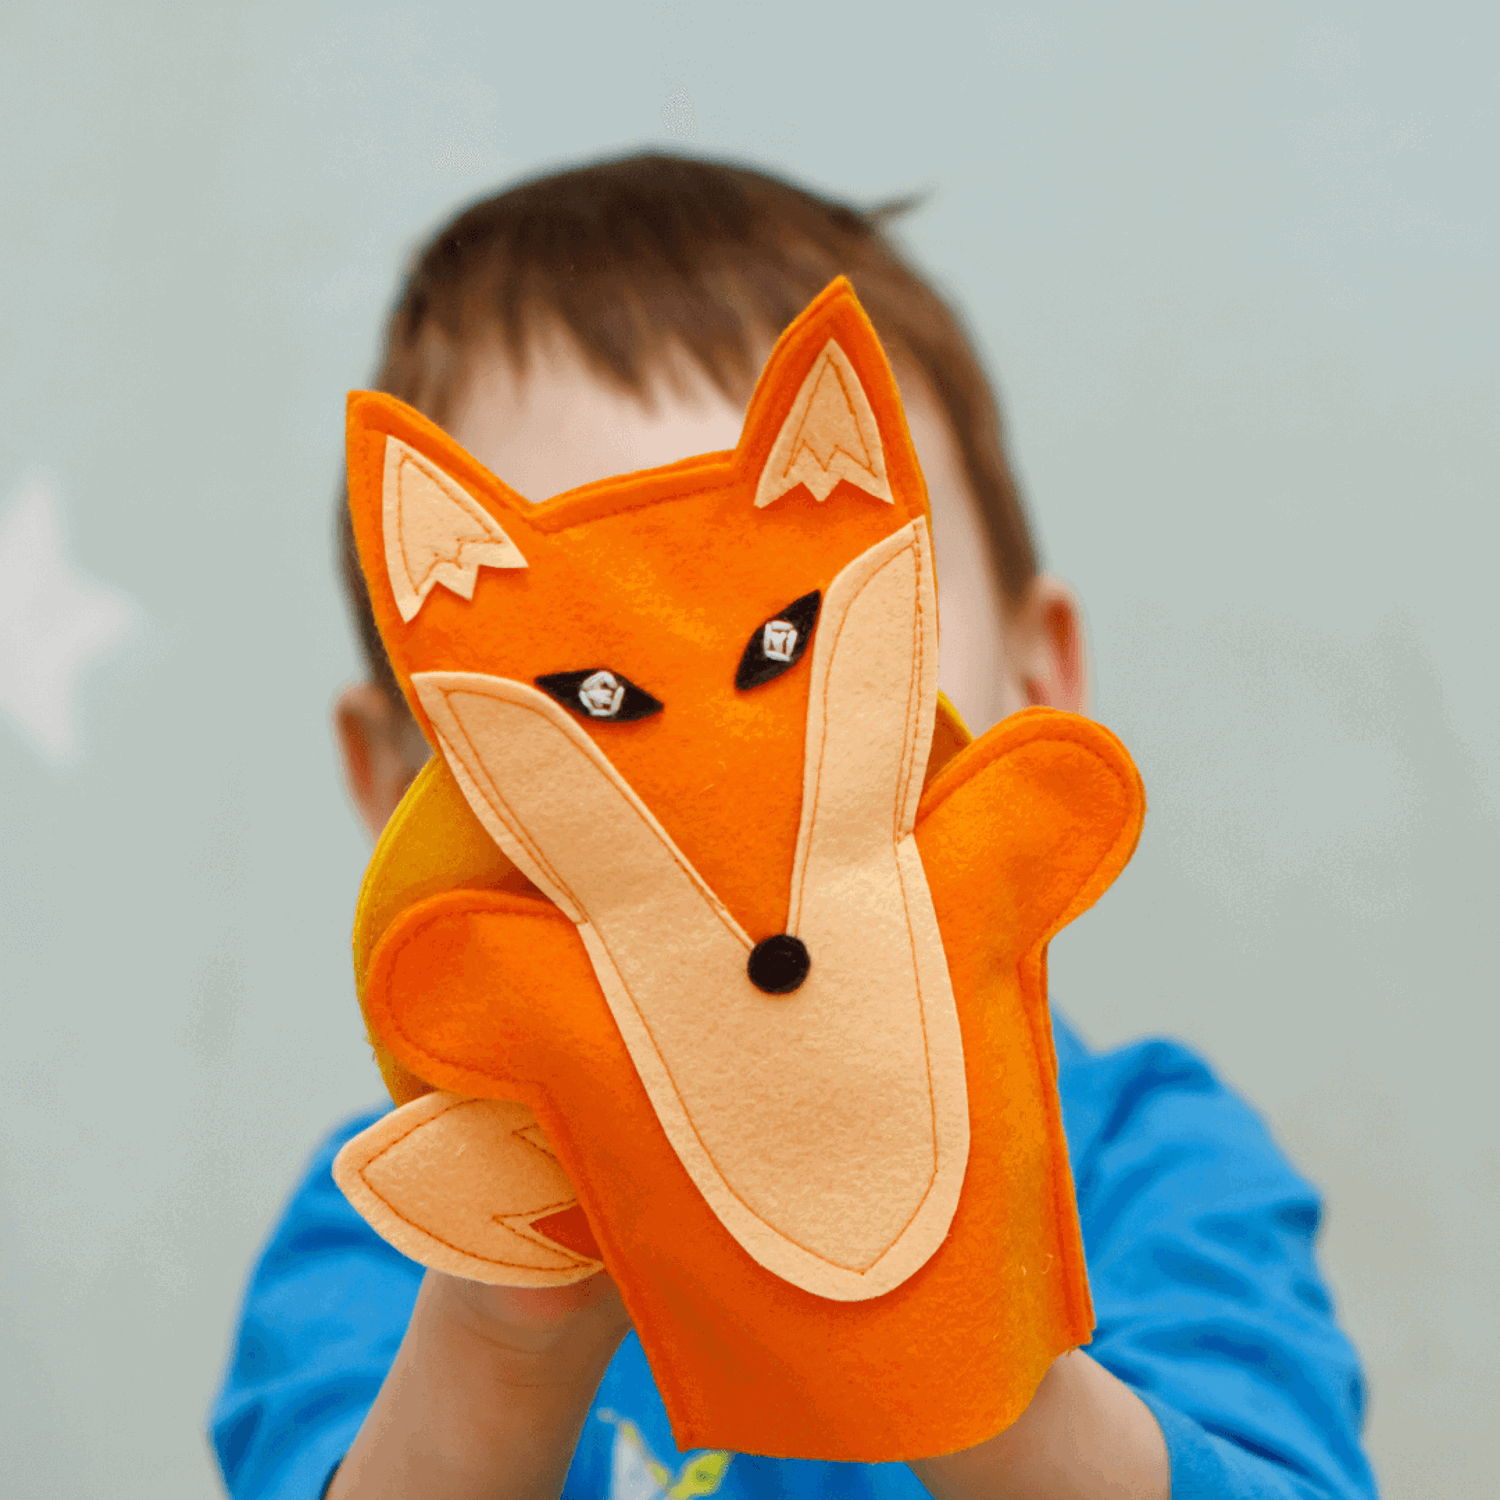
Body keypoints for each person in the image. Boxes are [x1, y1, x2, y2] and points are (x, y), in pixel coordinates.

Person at [210, 153, 1378, 1500]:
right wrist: (499, 1328)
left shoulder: (1147, 1159)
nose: (715, 782)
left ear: (1038, 686)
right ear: (395, 786)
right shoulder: (386, 1241)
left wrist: (941, 1326)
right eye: (594, 691)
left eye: (786, 636)